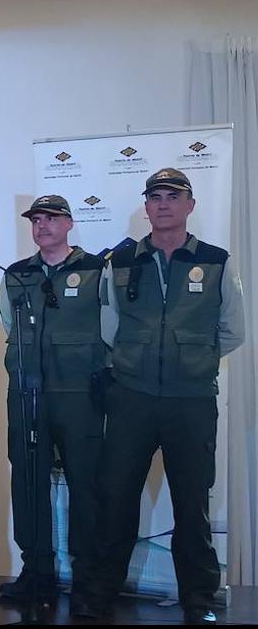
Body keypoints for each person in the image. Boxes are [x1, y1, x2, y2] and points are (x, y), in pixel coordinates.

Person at [88, 168, 245, 625]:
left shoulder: (216, 261)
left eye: (172, 196)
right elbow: (108, 326)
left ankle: (198, 596)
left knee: (192, 503)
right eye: (154, 196)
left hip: (191, 401)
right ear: (146, 206)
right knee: (116, 499)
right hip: (132, 398)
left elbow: (232, 329)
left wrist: (191, 358)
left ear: (190, 205)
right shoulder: (121, 261)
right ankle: (100, 591)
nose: (162, 204)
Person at [0, 194, 107, 617]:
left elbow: (111, 326)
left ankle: (85, 577)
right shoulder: (17, 274)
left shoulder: (97, 270)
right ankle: (36, 571)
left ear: (69, 223)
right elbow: (10, 325)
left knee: (85, 485)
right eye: (36, 219)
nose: (42, 226)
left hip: (79, 394)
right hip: (27, 396)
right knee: (27, 484)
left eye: (51, 218)